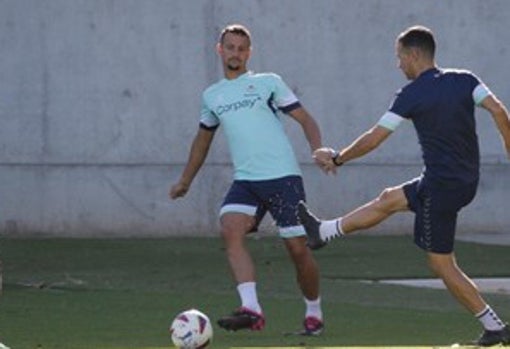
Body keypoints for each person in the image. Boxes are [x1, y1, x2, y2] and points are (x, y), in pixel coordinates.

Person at [298, 25, 510, 346]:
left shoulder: (411, 95)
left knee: (441, 263)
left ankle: (495, 327)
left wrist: (338, 158)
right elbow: (497, 109)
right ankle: (322, 232)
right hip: (461, 181)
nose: (398, 65)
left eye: (399, 58)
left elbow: (375, 138)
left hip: (442, 188)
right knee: (389, 199)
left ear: (412, 55)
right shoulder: (465, 80)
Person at [170, 24, 328, 335]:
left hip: (283, 178)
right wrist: (185, 181)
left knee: (297, 249)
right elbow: (202, 140)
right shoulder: (212, 96)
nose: (236, 54)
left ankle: (314, 310)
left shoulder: (268, 83)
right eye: (230, 47)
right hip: (247, 181)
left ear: (249, 53)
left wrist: (317, 148)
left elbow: (305, 119)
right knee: (230, 229)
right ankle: (252, 310)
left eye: (242, 49)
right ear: (220, 50)